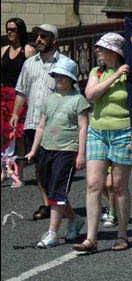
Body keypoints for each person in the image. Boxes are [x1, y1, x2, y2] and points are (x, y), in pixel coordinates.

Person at [72, 32, 132, 254]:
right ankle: (91, 238)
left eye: (101, 48)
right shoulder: (97, 72)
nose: (97, 51)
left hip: (123, 132)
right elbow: (90, 94)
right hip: (97, 132)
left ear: (114, 51)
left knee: (119, 186)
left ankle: (122, 234)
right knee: (93, 184)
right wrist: (113, 77)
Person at [25, 58, 89, 248]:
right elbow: (41, 126)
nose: (59, 79)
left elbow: (83, 128)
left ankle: (52, 233)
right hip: (47, 149)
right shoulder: (50, 99)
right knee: (50, 188)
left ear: (71, 79)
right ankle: (75, 220)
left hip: (67, 150)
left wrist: (81, 154)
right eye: (56, 76)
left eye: (63, 76)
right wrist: (33, 150)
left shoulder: (79, 100)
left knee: (58, 191)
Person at [11, 24, 67, 220]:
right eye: (38, 36)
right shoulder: (29, 63)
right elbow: (21, 90)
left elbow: (73, 94)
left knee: (55, 166)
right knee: (39, 166)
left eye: (44, 36)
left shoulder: (65, 64)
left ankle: (58, 202)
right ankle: (46, 203)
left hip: (57, 123)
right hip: (33, 121)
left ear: (54, 40)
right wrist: (16, 113)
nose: (39, 39)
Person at [1, 18, 36, 185]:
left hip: (21, 95)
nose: (10, 32)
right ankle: (4, 171)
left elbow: (34, 72)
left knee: (19, 136)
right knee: (3, 135)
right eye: (8, 29)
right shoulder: (3, 50)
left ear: (20, 31)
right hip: (4, 96)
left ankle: (19, 173)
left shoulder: (28, 50)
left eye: (13, 29)